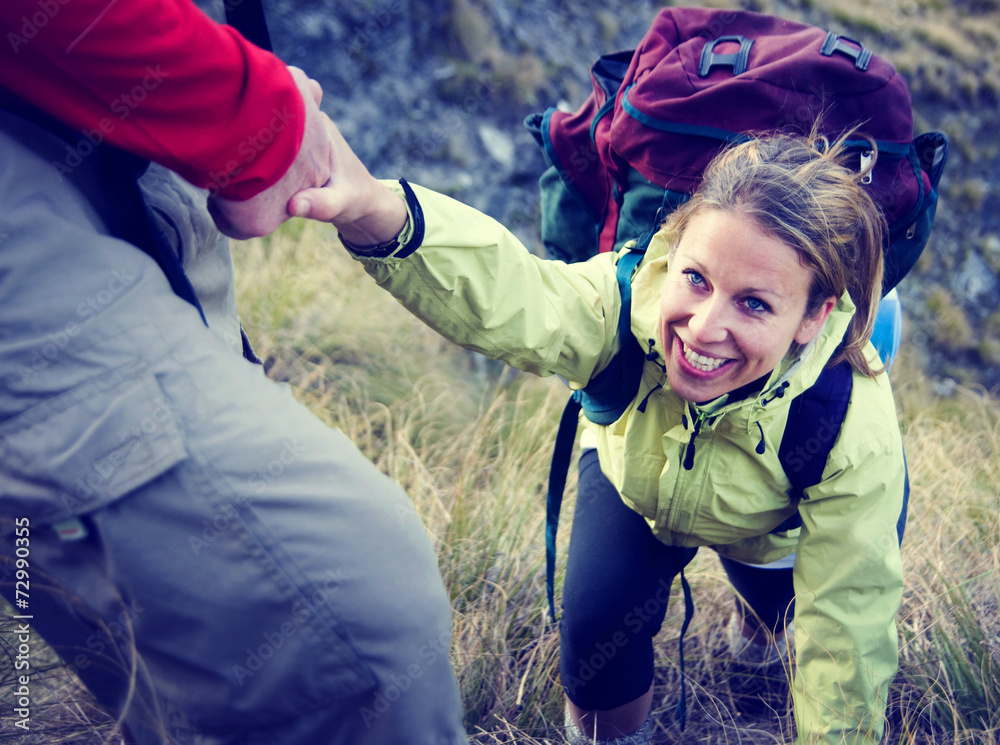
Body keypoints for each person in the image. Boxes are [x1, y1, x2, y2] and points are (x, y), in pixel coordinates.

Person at [294, 116, 908, 745]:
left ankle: (754, 639)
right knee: (596, 639)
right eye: (695, 278)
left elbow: (849, 624)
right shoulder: (621, 299)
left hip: (773, 525)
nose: (701, 328)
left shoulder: (848, 424)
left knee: (783, 614)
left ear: (814, 316)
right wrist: (376, 211)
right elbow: (513, 292)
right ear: (672, 251)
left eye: (754, 303)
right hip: (636, 484)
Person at [0, 2, 468, 744]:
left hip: (117, 145)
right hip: (51, 146)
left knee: (200, 648)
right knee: (364, 605)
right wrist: (258, 115)